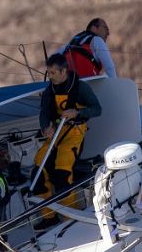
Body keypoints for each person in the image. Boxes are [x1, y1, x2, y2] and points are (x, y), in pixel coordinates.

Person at [32, 52, 102, 209]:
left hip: (75, 133)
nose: (49, 76)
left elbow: (97, 109)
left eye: (53, 73)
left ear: (64, 71)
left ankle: (69, 214)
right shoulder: (49, 90)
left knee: (62, 174)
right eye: (48, 72)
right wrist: (45, 127)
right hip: (56, 133)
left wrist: (77, 113)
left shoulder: (81, 88)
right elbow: (44, 113)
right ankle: (48, 217)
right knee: (38, 170)